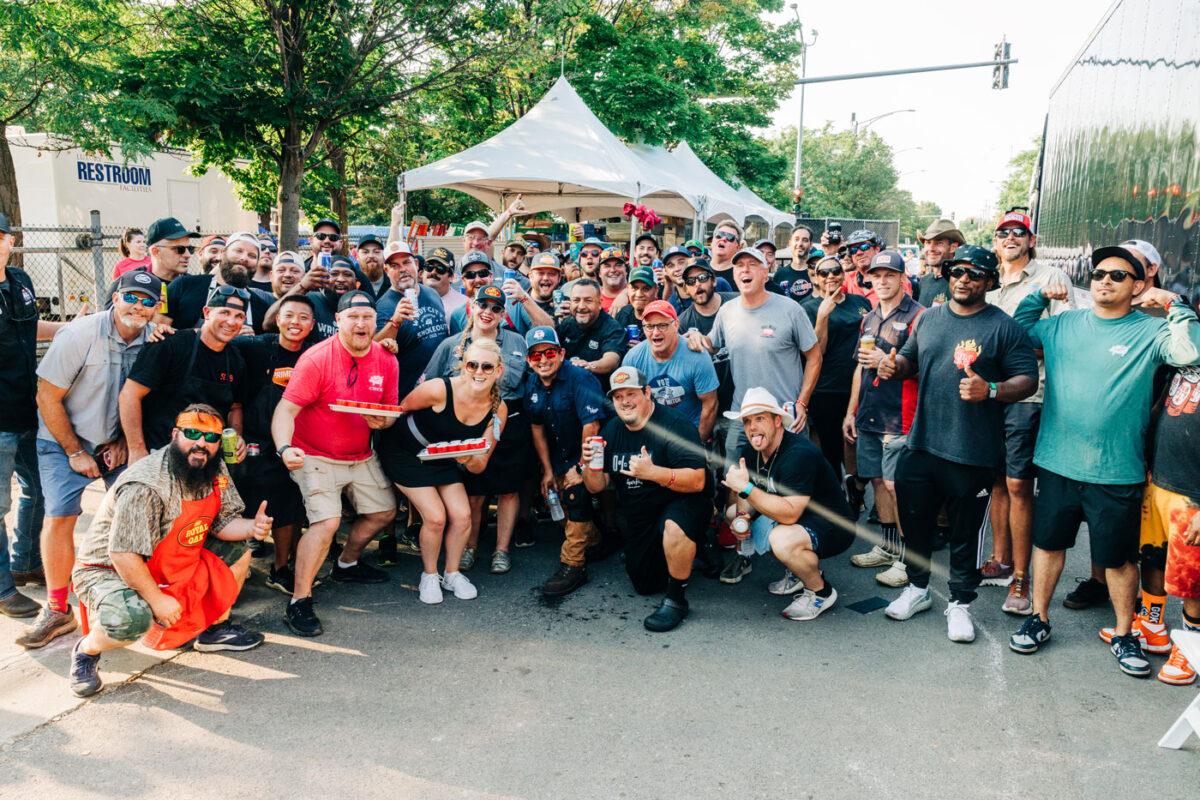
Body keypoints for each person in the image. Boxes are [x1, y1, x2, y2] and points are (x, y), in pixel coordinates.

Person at [1007, 246, 1200, 677]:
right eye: (1098, 274)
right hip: (1057, 462)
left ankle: (1124, 632)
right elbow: (1014, 339)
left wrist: (1173, 304)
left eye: (1118, 275)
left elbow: (1190, 353)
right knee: (1049, 546)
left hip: (1116, 470)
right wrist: (1039, 296)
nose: (1105, 281)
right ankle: (1038, 618)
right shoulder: (1062, 325)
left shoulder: (1151, 332)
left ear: (1138, 286)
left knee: (1117, 560)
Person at [876, 245, 1038, 644]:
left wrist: (993, 389)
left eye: (975, 274)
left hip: (974, 453)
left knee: (966, 536)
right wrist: (893, 366)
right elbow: (910, 360)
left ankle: (960, 604)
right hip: (922, 444)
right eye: (958, 271)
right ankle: (916, 590)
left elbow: (1028, 380)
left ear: (989, 281)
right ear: (948, 275)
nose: (964, 279)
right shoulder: (929, 319)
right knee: (915, 524)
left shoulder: (1003, 327)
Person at [67, 405, 270, 697]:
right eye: (192, 433)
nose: (201, 442)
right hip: (109, 569)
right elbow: (123, 554)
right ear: (175, 435)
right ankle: (86, 651)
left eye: (211, 437)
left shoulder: (211, 464)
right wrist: (157, 599)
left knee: (238, 551)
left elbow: (222, 522)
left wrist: (252, 528)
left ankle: (213, 630)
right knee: (132, 619)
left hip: (171, 553)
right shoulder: (146, 483)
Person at [15, 272, 161, 648]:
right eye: (131, 297)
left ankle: (133, 598)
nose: (138, 306)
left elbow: (146, 399)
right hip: (65, 440)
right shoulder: (79, 334)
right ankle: (56, 608)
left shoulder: (155, 338)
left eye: (148, 301)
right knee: (60, 516)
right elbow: (46, 397)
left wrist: (126, 442)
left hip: (117, 442)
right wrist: (75, 452)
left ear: (157, 308)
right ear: (115, 297)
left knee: (136, 513)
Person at [271, 291, 399, 636]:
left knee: (385, 512)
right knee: (326, 524)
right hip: (314, 454)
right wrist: (284, 448)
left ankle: (346, 562)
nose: (361, 323)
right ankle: (299, 600)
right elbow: (286, 409)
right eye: (353, 317)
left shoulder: (387, 359)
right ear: (338, 321)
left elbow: (389, 412)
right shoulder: (316, 358)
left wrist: (382, 422)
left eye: (367, 317)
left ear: (376, 322)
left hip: (360, 454)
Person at [981, 210, 1072, 614]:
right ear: (996, 241)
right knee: (997, 481)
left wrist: (1009, 350)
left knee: (1019, 485)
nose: (1011, 238)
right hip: (987, 397)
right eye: (1004, 233)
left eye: (1019, 232)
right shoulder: (986, 280)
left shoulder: (1051, 278)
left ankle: (1022, 579)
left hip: (1028, 396)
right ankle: (1000, 561)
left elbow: (1065, 338)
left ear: (1031, 240)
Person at [580, 367, 711, 632]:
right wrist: (588, 465)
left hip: (683, 501)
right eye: (618, 397)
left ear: (647, 393)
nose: (625, 401)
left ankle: (677, 600)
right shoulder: (611, 431)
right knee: (645, 585)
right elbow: (597, 487)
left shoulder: (674, 425)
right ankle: (693, 554)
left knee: (674, 526)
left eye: (631, 394)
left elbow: (698, 480)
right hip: (640, 514)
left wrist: (654, 473)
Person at [701, 245, 822, 531]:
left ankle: (793, 558)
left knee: (789, 486)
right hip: (742, 416)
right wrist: (695, 338)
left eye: (752, 264)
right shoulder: (727, 312)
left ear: (766, 271)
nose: (744, 270)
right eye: (739, 265)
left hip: (784, 416)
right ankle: (740, 550)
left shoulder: (790, 309)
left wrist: (802, 402)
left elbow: (814, 357)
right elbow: (711, 344)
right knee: (735, 479)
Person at [379, 339, 507, 604]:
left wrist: (467, 457)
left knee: (462, 516)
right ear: (463, 366)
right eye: (472, 365)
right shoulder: (439, 389)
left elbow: (480, 464)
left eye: (487, 366)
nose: (479, 372)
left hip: (443, 459)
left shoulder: (498, 409)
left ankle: (452, 573)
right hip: (405, 453)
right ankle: (429, 575)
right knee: (436, 517)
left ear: (499, 371)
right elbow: (400, 410)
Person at [722, 388, 856, 620]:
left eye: (759, 418)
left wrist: (745, 488)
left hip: (833, 525)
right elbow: (748, 500)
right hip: (795, 516)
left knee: (781, 539)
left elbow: (789, 515)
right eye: (747, 421)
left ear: (777, 421)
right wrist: (743, 519)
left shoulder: (798, 453)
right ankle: (796, 571)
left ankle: (821, 592)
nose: (752, 427)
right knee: (733, 513)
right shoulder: (751, 450)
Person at [422, 286, 527, 574]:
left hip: (510, 423)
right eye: (483, 304)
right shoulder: (451, 345)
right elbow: (428, 385)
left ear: (503, 315)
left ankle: (501, 550)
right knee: (473, 493)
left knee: (507, 492)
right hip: (466, 425)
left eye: (495, 308)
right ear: (471, 305)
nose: (488, 312)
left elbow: (524, 383)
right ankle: (469, 547)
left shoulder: (518, 342)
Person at [0, 213, 74, 618]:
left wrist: (68, 328)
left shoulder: (20, 282)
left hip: (29, 406)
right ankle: (2, 589)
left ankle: (26, 563)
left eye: (0, 237)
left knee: (39, 489)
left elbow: (31, 329)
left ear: (11, 241)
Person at [843, 251, 924, 589]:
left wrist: (885, 361)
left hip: (900, 417)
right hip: (870, 413)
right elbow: (860, 367)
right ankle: (890, 548)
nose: (882, 280)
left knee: (897, 487)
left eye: (889, 274)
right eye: (877, 275)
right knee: (878, 481)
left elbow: (922, 367)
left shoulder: (920, 316)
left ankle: (907, 559)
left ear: (903, 278)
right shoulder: (869, 316)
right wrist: (850, 411)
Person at [229, 294, 316, 595]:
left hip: (293, 444)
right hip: (251, 442)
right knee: (239, 508)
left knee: (289, 509)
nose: (295, 322)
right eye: (288, 315)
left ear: (313, 324)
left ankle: (280, 569)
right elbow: (214, 338)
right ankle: (231, 571)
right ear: (277, 319)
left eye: (303, 317)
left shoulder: (314, 355)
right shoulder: (254, 346)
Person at [120, 286, 251, 462]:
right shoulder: (170, 344)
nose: (231, 322)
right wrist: (137, 450)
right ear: (207, 312)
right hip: (160, 452)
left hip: (206, 458)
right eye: (224, 313)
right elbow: (129, 396)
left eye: (239, 316)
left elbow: (235, 407)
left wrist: (236, 436)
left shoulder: (236, 360)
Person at [525, 326, 608, 595]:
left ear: (561, 353)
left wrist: (581, 468)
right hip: (560, 456)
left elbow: (592, 427)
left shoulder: (580, 378)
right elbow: (536, 427)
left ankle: (573, 565)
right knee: (555, 496)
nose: (543, 360)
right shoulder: (532, 382)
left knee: (576, 496)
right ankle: (596, 542)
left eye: (549, 352)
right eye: (535, 356)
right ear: (529, 360)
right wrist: (547, 471)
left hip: (593, 453)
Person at [1147, 363, 1200, 684]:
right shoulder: (1181, 354)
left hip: (1194, 494)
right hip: (1161, 479)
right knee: (1151, 555)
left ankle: (1191, 646)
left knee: (1191, 579)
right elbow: (1157, 411)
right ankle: (1152, 625)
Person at [800, 256, 871, 480]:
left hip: (859, 384)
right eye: (824, 273)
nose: (831, 276)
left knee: (856, 443)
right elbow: (817, 353)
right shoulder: (808, 308)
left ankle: (855, 492)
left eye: (835, 271)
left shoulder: (860, 302)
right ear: (816, 278)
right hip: (827, 388)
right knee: (831, 449)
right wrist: (823, 316)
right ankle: (837, 499)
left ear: (843, 273)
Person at [622, 300, 718, 440]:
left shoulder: (697, 355)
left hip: (688, 433)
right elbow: (627, 403)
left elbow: (710, 404)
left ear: (676, 325)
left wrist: (698, 444)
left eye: (662, 325)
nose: (655, 332)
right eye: (649, 326)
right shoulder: (633, 358)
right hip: (651, 434)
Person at [163, 232, 273, 334]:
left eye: (252, 256)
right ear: (223, 253)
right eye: (238, 251)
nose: (244, 258)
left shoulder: (261, 308)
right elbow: (157, 333)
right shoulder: (184, 286)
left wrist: (254, 342)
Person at [103, 217, 198, 314]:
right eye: (180, 249)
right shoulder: (127, 282)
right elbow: (110, 323)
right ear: (156, 252)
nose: (188, 255)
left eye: (190, 249)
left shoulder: (193, 285)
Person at [375, 240, 448, 345]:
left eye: (406, 262)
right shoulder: (383, 307)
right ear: (386, 271)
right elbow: (374, 348)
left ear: (416, 264)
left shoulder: (432, 293)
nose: (402, 269)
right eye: (395, 265)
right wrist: (394, 323)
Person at [558, 279, 626, 383]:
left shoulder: (612, 327)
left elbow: (611, 360)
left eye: (588, 300)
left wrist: (590, 366)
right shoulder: (566, 325)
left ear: (599, 303)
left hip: (598, 391)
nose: (581, 306)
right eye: (576, 300)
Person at [916, 219, 963, 307]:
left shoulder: (960, 284)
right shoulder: (924, 281)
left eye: (939, 243)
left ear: (953, 247)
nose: (931, 248)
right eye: (928, 243)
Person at [770, 225, 816, 304]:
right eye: (796, 239)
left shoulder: (816, 273)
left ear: (811, 245)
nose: (800, 244)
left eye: (805, 240)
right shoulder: (780, 274)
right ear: (790, 243)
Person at [613, 266, 657, 342]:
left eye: (645, 289)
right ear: (628, 289)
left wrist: (642, 349)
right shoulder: (623, 313)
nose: (639, 294)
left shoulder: (662, 318)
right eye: (635, 288)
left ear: (656, 291)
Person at [421, 247, 467, 317]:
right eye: (429, 267)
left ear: (451, 277)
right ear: (422, 273)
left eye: (440, 269)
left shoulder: (464, 305)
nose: (433, 272)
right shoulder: (411, 299)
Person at [708, 220, 744, 286]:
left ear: (738, 247)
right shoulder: (699, 268)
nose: (724, 238)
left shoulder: (742, 276)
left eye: (730, 237)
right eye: (719, 235)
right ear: (712, 241)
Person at [355, 234, 390, 299]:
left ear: (384, 255)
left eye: (376, 252)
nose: (371, 255)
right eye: (365, 252)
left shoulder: (393, 284)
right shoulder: (352, 284)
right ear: (357, 257)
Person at [597, 246, 630, 313]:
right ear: (599, 273)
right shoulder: (594, 300)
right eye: (607, 266)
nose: (613, 270)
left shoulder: (637, 296)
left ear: (626, 270)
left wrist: (627, 293)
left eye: (618, 265)